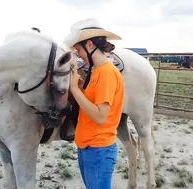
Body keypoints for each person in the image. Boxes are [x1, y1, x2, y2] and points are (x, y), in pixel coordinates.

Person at [62, 18, 125, 189]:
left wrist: (74, 90)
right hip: (89, 147)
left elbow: (100, 116)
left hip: (98, 150)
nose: (78, 55)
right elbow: (92, 103)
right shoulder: (97, 71)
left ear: (90, 45)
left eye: (78, 50)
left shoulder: (106, 73)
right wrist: (82, 87)